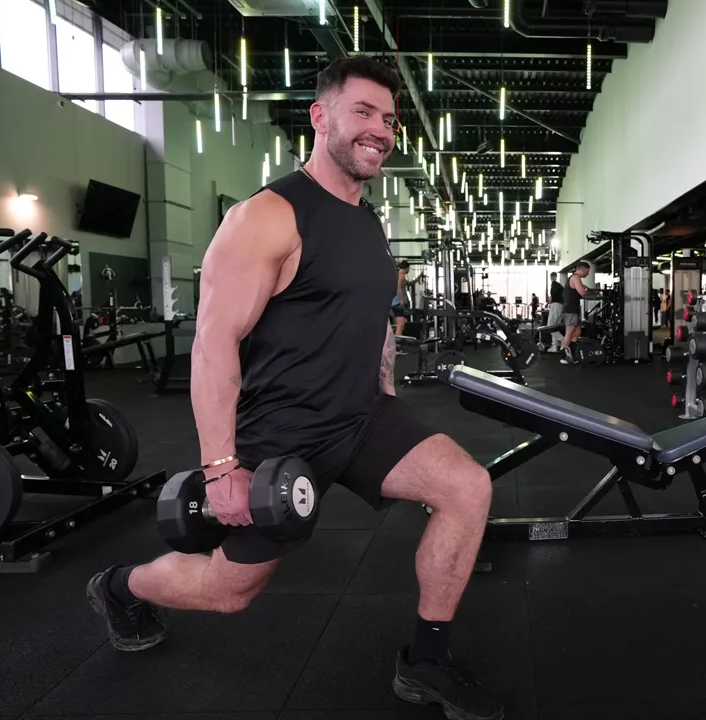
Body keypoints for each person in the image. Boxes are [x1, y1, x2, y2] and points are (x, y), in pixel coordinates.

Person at [84, 56, 503, 720]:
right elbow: (214, 343)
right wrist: (220, 466)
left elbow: (373, 322)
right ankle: (120, 586)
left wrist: (386, 387)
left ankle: (424, 662)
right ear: (321, 115)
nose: (381, 130)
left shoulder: (368, 222)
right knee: (229, 592)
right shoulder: (267, 216)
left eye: (390, 119)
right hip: (278, 436)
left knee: (467, 486)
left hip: (361, 417)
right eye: (363, 112)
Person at [560, 261, 595, 364]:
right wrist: (594, 293)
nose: (588, 274)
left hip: (574, 309)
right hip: (570, 309)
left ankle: (571, 354)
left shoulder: (576, 278)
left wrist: (592, 290)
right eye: (587, 271)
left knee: (577, 333)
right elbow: (583, 292)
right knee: (569, 332)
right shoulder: (575, 278)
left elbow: (584, 288)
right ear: (581, 269)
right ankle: (564, 356)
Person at [545, 275, 565, 353]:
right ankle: (554, 346)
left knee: (550, 326)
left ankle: (563, 341)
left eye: (553, 276)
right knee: (555, 327)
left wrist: (551, 298)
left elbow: (554, 294)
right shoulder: (559, 286)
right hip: (560, 306)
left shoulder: (554, 284)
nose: (552, 278)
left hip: (556, 305)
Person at [392, 260, 410, 337]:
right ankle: (397, 345)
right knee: (400, 324)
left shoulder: (400, 274)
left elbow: (409, 283)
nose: (409, 270)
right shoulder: (401, 275)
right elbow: (398, 288)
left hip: (397, 302)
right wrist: (402, 299)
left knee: (401, 324)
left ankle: (397, 344)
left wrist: (418, 278)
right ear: (407, 268)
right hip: (398, 302)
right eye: (409, 268)